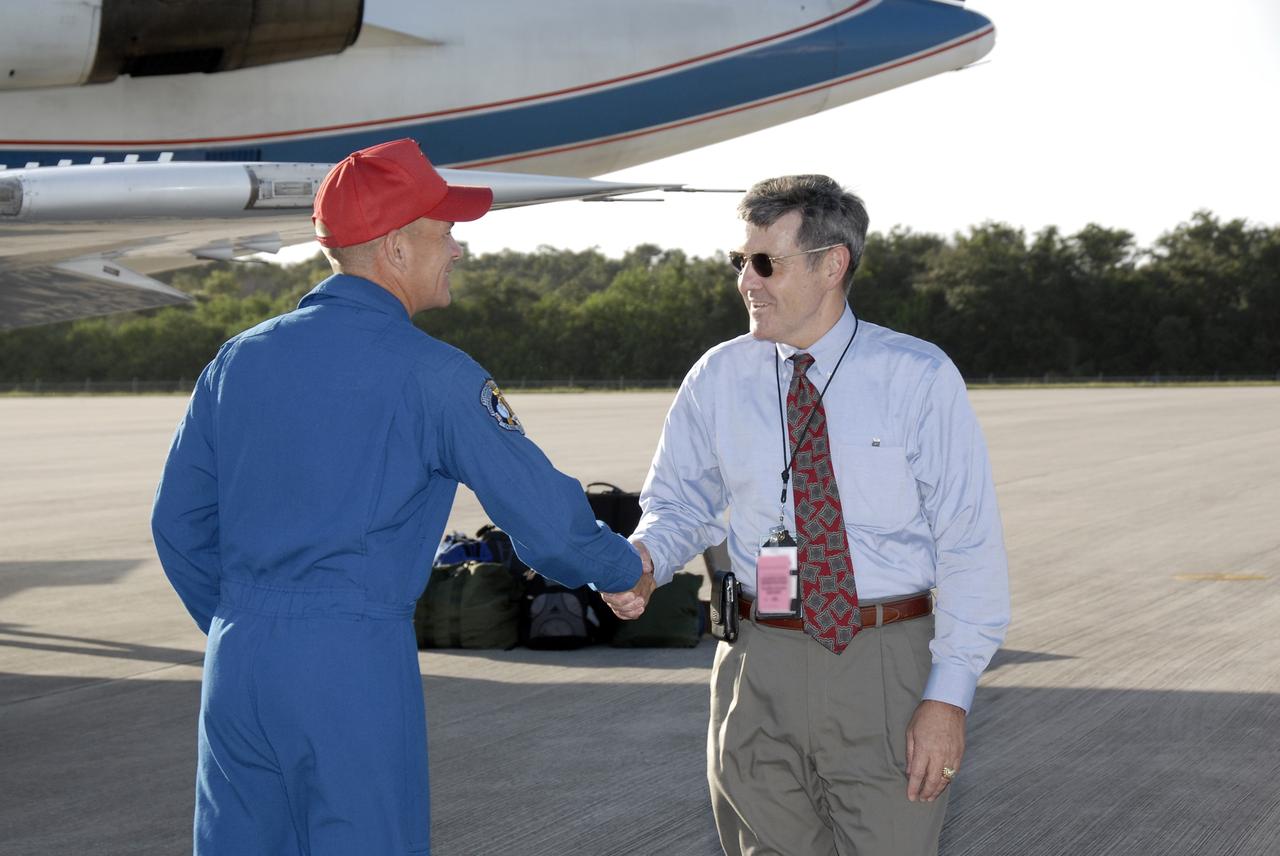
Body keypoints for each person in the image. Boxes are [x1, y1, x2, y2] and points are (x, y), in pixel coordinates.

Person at [151, 138, 652, 855]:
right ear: (393, 248)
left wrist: (252, 627)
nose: (457, 249)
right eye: (445, 232)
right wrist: (624, 570)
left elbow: (178, 523)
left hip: (238, 661)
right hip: (349, 662)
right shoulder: (435, 376)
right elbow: (546, 523)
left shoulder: (239, 359)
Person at [604, 175, 1010, 855]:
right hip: (756, 663)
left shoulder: (915, 376)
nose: (746, 282)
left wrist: (949, 696)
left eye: (767, 263)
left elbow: (969, 544)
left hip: (885, 666)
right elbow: (680, 502)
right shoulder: (718, 377)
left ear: (832, 264)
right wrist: (647, 557)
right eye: (741, 261)